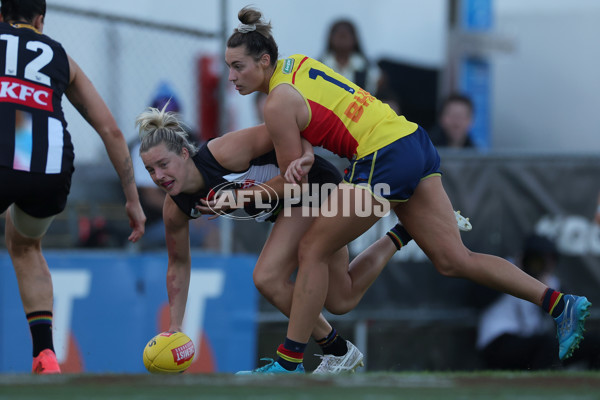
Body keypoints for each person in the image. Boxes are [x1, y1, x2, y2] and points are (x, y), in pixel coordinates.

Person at [224, 6, 591, 374]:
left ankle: (290, 363)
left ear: (264, 60)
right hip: (413, 141)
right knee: (452, 260)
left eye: (238, 66)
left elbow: (293, 183)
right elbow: (308, 129)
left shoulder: (274, 104)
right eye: (228, 67)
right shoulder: (297, 64)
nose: (231, 76)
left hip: (381, 154)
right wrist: (301, 157)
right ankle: (559, 304)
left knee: (311, 249)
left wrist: (234, 198)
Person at [136, 106, 470, 373]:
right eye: (151, 171)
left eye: (163, 164)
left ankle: (300, 360)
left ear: (183, 153)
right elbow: (178, 264)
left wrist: (305, 156)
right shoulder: (176, 207)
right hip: (290, 206)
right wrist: (175, 326)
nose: (159, 177)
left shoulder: (222, 152)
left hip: (312, 188)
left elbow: (290, 130)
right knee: (342, 298)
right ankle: (403, 232)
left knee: (267, 276)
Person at [0, 0, 145, 374]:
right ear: (41, 20)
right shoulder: (60, 55)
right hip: (48, 167)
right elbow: (111, 130)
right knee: (25, 245)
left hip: (7, 153)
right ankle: (45, 355)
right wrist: (132, 199)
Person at [477, 234, 600, 370]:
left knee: (594, 341)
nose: (540, 265)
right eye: (536, 259)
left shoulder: (552, 283)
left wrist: (546, 291)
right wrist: (514, 275)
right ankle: (542, 385)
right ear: (523, 257)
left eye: (548, 259)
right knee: (545, 344)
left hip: (537, 344)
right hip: (499, 342)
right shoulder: (504, 270)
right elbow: (477, 298)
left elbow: (564, 325)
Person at [130, 86, 218, 250]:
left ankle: (221, 268)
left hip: (191, 210)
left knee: (221, 219)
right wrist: (188, 211)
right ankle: (218, 269)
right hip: (156, 221)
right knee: (208, 230)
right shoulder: (143, 148)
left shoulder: (190, 141)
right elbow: (150, 196)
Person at [319, 19, 380, 95]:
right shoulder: (319, 66)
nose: (342, 38)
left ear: (355, 39)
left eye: (346, 35)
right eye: (338, 34)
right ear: (330, 38)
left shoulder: (367, 67)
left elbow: (373, 95)